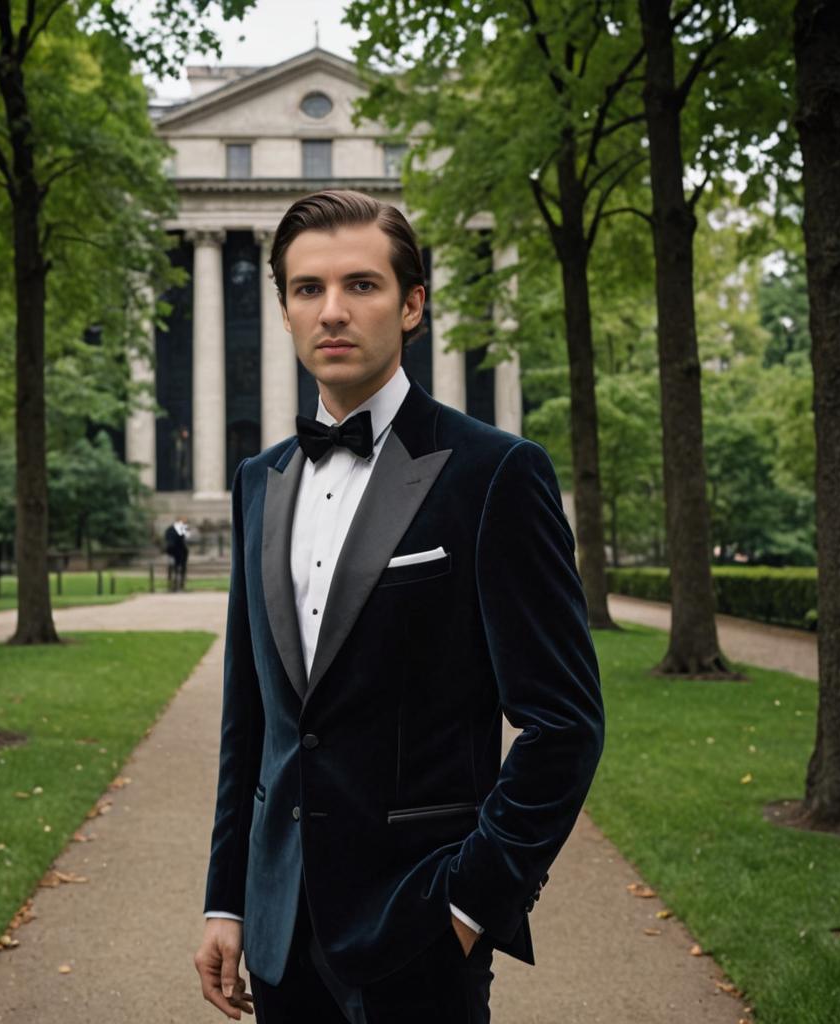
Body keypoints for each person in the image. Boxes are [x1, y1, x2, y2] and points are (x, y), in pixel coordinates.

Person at [194, 190, 604, 1023]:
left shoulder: (496, 472)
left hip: (418, 931)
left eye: (362, 285)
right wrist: (228, 902)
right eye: (307, 289)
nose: (332, 311)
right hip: (277, 933)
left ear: (413, 304)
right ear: (283, 310)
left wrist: (468, 904)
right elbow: (254, 719)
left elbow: (564, 724)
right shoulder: (257, 482)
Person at [164, 518, 189, 591]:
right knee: (180, 567)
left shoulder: (169, 529)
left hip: (170, 551)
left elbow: (166, 538)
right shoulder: (180, 529)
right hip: (179, 552)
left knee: (171, 567)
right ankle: (181, 583)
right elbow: (183, 540)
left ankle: (171, 582)